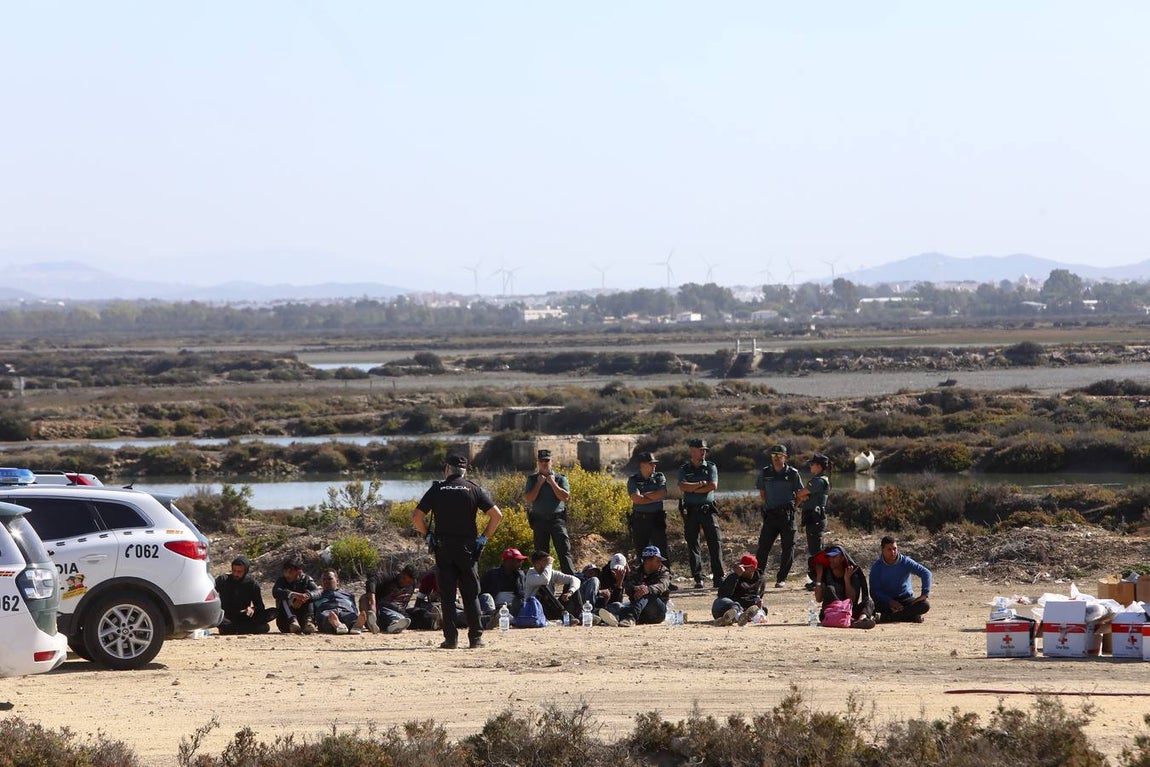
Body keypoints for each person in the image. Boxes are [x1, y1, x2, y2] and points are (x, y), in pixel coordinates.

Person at [412, 454, 503, 649]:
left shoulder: (437, 489)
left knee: (447, 596)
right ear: (465, 471)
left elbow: (417, 516)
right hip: (468, 549)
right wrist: (484, 538)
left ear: (447, 469)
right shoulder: (473, 489)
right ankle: (476, 638)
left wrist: (427, 535)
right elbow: (497, 515)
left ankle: (451, 639)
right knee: (471, 595)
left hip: (444, 549)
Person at [755, 444, 804, 588]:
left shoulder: (793, 473)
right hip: (770, 516)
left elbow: (800, 494)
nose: (776, 458)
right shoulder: (765, 473)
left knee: (788, 547)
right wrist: (770, 506)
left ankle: (781, 579)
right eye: (773, 456)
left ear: (785, 457)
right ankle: (758, 577)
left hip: (787, 516)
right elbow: (762, 494)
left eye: (779, 456)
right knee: (763, 547)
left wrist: (793, 507)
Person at [677, 438, 723, 589]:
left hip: (707, 510)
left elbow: (712, 486)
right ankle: (698, 578)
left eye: (704, 450)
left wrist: (693, 489)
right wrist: (699, 485)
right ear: (692, 450)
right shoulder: (684, 469)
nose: (703, 452)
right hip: (690, 511)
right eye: (700, 449)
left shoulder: (710, 467)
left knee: (715, 543)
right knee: (693, 545)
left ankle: (718, 577)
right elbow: (682, 486)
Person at [523, 449, 575, 575]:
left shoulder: (560, 478)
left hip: (557, 521)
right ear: (538, 463)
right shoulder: (533, 479)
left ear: (552, 461)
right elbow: (529, 499)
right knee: (541, 557)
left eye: (547, 460)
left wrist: (552, 483)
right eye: (542, 461)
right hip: (539, 521)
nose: (544, 463)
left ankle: (571, 589)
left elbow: (565, 497)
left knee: (564, 553)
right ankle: (544, 591)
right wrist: (539, 484)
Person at [601, 546, 672, 627]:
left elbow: (662, 585)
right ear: (647, 561)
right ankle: (615, 618)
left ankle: (630, 618)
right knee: (615, 606)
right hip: (639, 610)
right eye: (657, 560)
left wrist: (647, 589)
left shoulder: (663, 572)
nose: (660, 563)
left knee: (646, 594)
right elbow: (628, 587)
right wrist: (635, 588)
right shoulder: (636, 572)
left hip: (656, 612)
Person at [809, 544, 875, 629]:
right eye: (829, 557)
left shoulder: (851, 573)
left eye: (834, 557)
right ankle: (848, 620)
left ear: (842, 558)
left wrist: (847, 580)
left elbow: (852, 600)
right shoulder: (826, 573)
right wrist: (819, 576)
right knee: (830, 589)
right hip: (831, 613)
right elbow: (818, 599)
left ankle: (861, 620)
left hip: (849, 611)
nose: (831, 560)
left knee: (869, 602)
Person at [869, 536, 932, 624]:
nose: (893, 552)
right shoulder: (877, 567)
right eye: (889, 549)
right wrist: (890, 602)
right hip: (887, 602)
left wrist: (925, 593)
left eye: (895, 549)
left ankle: (888, 618)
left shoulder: (905, 562)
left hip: (906, 600)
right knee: (871, 607)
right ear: (882, 550)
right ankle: (910, 616)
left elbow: (926, 573)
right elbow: (874, 591)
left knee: (924, 605)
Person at [627, 451, 669, 566]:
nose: (654, 466)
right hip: (640, 520)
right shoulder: (633, 480)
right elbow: (636, 499)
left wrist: (644, 495)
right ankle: (643, 580)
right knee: (641, 552)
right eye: (651, 464)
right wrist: (653, 496)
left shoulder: (659, 477)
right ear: (642, 465)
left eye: (654, 463)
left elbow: (662, 494)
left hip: (657, 519)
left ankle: (666, 579)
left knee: (662, 550)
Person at [215, 555, 276, 635]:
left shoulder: (252, 584)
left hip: (244, 616)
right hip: (226, 617)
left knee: (273, 612)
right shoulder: (223, 580)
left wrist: (252, 609)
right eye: (234, 571)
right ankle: (248, 629)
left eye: (239, 572)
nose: (236, 574)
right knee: (217, 617)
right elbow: (210, 595)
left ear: (246, 571)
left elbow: (260, 606)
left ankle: (233, 629)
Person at [796, 453, 831, 590]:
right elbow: (804, 496)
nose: (810, 466)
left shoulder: (817, 481)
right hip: (815, 518)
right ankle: (820, 579)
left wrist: (802, 496)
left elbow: (801, 494)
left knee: (816, 552)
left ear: (818, 466)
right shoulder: (821, 480)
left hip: (815, 519)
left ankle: (819, 581)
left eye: (812, 464)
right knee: (817, 550)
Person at [525, 550, 582, 621]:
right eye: (545, 561)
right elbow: (544, 580)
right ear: (537, 563)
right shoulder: (531, 574)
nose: (548, 563)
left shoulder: (551, 573)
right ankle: (564, 615)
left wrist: (570, 592)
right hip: (535, 609)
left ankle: (580, 614)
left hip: (553, 607)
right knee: (542, 588)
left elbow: (575, 579)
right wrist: (549, 564)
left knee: (572, 586)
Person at [360, 564, 417, 634]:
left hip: (401, 612)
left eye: (408, 582)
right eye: (404, 578)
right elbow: (371, 581)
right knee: (365, 599)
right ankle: (394, 622)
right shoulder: (391, 578)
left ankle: (432, 621)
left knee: (418, 612)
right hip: (382, 612)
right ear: (401, 573)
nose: (404, 583)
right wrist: (373, 604)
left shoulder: (413, 585)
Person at [711, 553, 766, 626]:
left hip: (745, 608)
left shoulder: (760, 579)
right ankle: (737, 617)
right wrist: (736, 576)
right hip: (730, 605)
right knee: (719, 601)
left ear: (752, 569)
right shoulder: (734, 576)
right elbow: (722, 594)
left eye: (744, 567)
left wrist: (758, 604)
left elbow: (758, 596)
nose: (740, 569)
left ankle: (737, 617)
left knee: (763, 609)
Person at [272, 555, 320, 634]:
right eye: (285, 571)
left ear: (299, 571)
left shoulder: (307, 579)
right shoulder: (281, 581)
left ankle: (309, 621)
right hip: (286, 621)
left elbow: (318, 591)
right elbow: (276, 592)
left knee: (309, 595)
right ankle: (292, 621)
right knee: (284, 596)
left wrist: (305, 597)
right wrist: (293, 594)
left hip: (303, 618)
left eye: (290, 571)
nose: (287, 575)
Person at [480, 547, 528, 626]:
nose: (521, 563)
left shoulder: (520, 575)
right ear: (508, 561)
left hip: (511, 609)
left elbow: (521, 596)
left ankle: (499, 619)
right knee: (486, 596)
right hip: (493, 608)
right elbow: (480, 593)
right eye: (518, 560)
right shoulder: (492, 574)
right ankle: (492, 619)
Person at [313, 569, 361, 634]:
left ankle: (355, 625)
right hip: (328, 612)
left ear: (337, 581)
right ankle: (337, 624)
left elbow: (354, 609)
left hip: (345, 610)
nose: (326, 581)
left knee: (351, 615)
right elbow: (314, 613)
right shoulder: (318, 596)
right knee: (325, 615)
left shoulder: (348, 595)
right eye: (324, 579)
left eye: (330, 579)